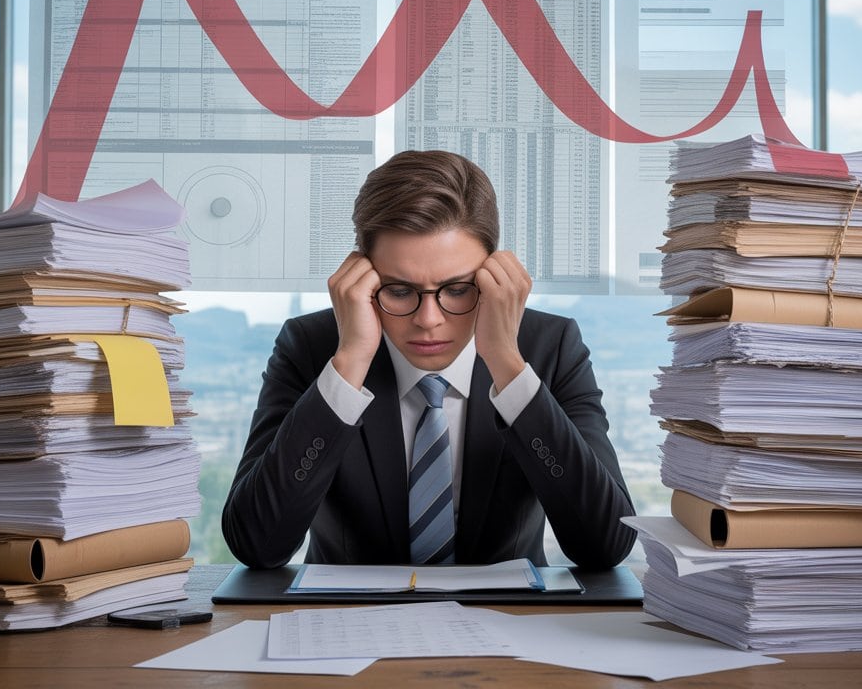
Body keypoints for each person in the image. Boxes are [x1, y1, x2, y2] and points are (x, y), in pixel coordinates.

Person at [221, 150, 637, 569]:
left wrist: (507, 366)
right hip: (345, 619)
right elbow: (256, 544)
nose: (428, 320)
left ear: (495, 277)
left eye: (457, 289)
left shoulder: (551, 347)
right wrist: (349, 363)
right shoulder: (311, 348)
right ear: (362, 280)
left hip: (509, 620)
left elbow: (605, 546)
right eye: (399, 291)